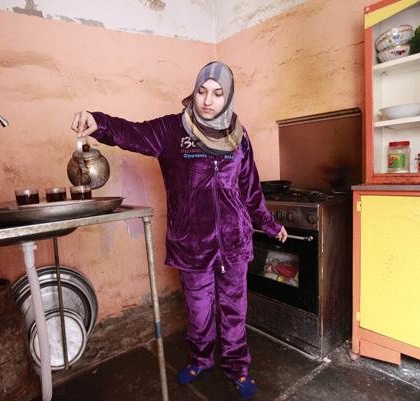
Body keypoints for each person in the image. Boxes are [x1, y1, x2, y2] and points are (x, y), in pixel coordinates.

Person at [70, 61, 287, 400]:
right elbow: (133, 133)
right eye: (202, 91)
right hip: (193, 243)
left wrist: (270, 225)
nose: (207, 100)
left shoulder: (238, 136)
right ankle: (201, 359)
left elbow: (250, 188)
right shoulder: (174, 130)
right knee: (199, 311)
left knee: (234, 312)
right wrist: (100, 123)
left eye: (217, 93)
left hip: (234, 241)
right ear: (194, 91)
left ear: (228, 96)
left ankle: (237, 366)